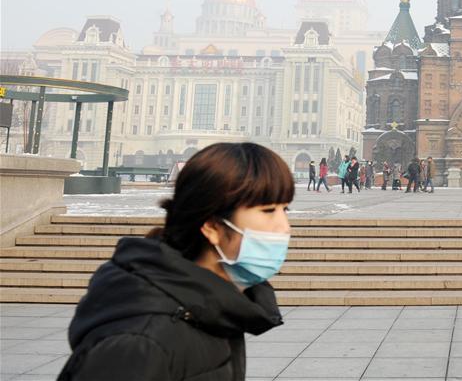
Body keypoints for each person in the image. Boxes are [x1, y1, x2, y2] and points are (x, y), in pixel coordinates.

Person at [58, 142, 293, 381]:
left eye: (286, 210)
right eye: (268, 210)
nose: (284, 227)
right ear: (212, 226)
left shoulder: (214, 309)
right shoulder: (139, 343)